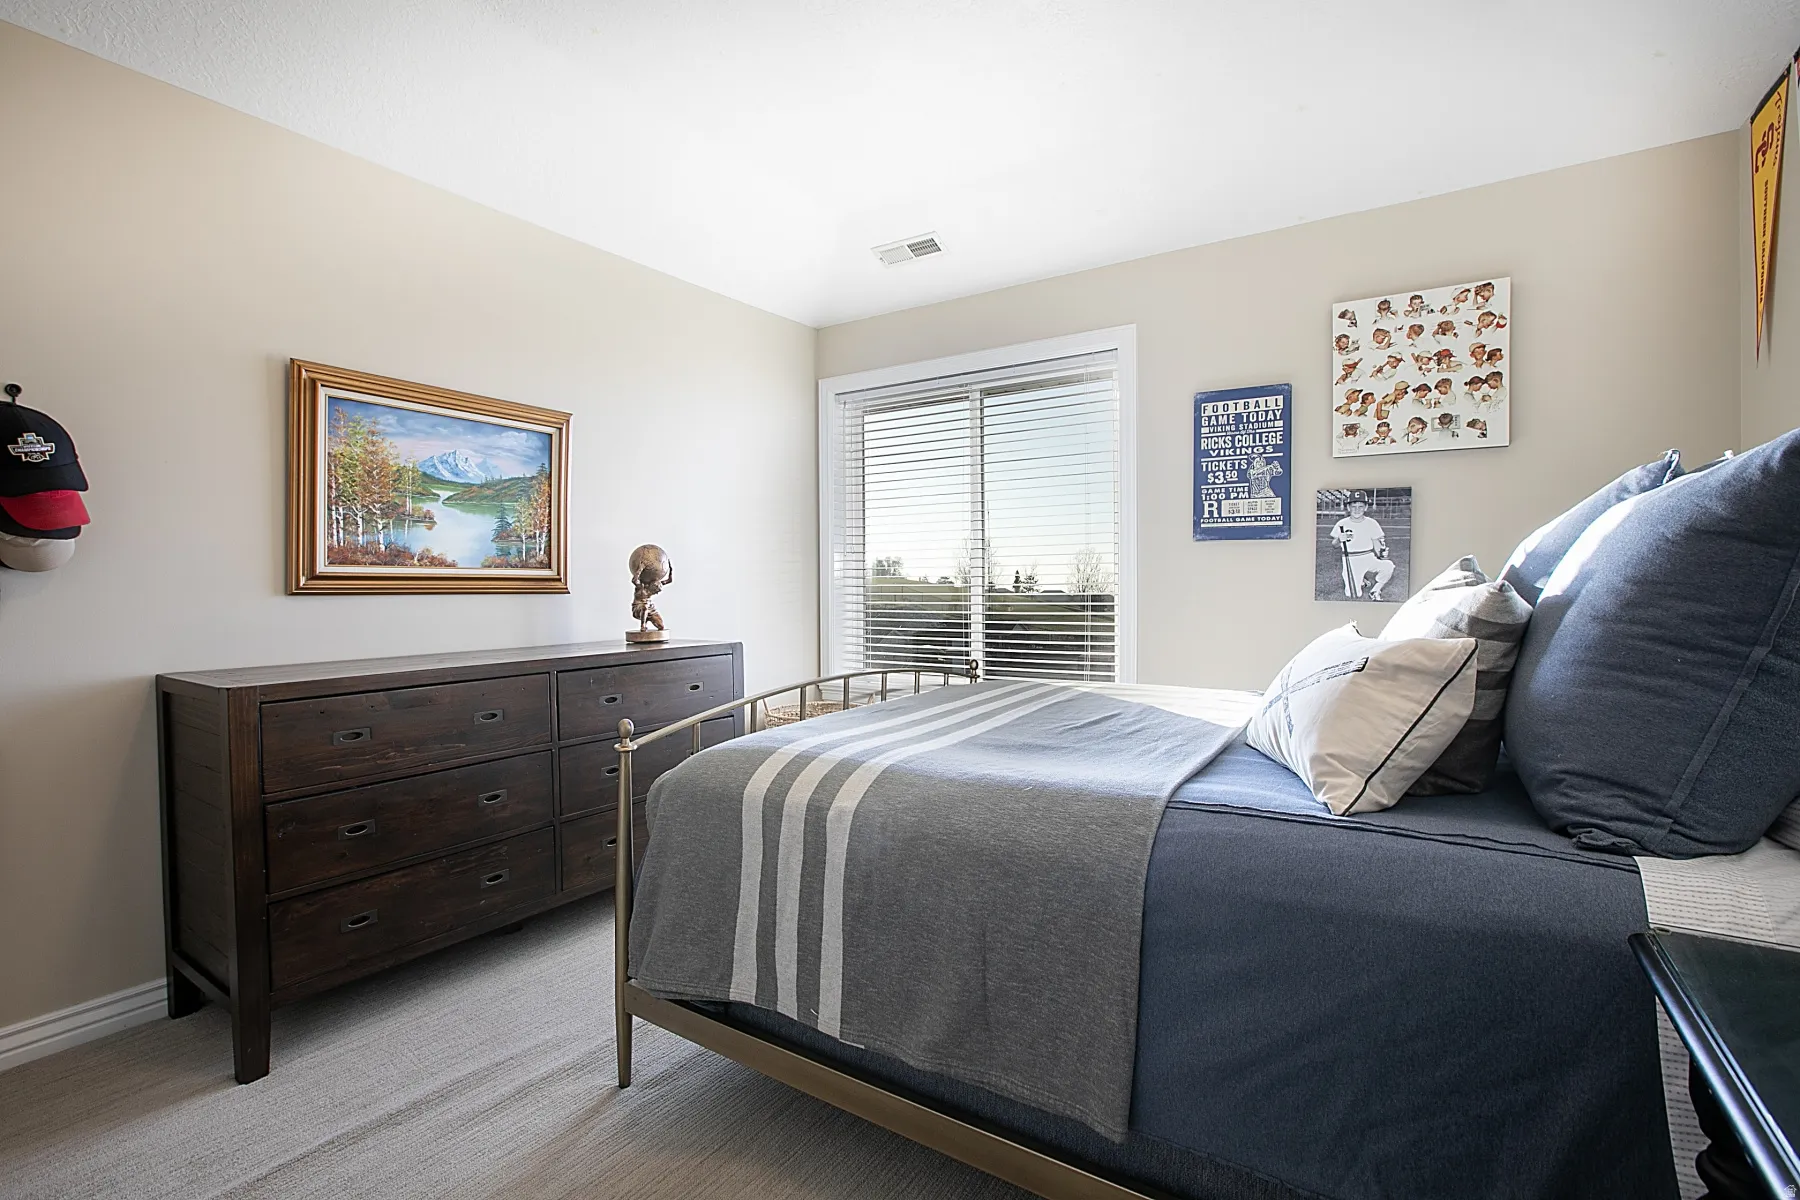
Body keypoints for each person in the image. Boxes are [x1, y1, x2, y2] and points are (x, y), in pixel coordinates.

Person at [1330, 491, 1395, 600]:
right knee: (1352, 595)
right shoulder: (1342, 523)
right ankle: (1361, 581)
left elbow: (1377, 545)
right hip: (1350, 559)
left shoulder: (1372, 523)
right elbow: (1334, 545)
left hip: (1368, 557)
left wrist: (1383, 554)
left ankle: (1375, 591)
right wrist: (1339, 540)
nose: (1357, 509)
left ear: (1366, 508)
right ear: (1348, 507)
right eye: (1353, 506)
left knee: (1388, 566)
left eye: (1360, 506)